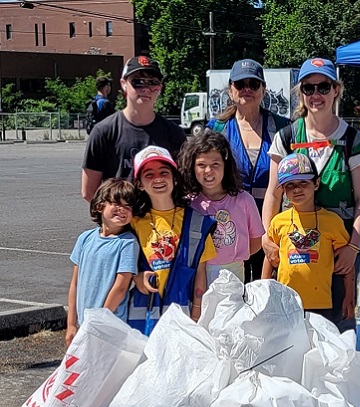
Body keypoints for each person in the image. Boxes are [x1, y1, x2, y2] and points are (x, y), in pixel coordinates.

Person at [262, 57, 360, 326]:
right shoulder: (286, 137)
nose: (316, 94)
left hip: (338, 250)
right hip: (296, 250)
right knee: (289, 328)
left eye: (323, 87)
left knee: (338, 328)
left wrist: (353, 247)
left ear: (336, 89)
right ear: (301, 92)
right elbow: (274, 194)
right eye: (308, 88)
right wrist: (268, 238)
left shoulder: (352, 140)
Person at [208, 59, 290, 282]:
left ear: (263, 89)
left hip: (273, 222)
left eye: (253, 84)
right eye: (240, 84)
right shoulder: (216, 128)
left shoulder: (283, 128)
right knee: (233, 290)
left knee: (267, 291)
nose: (247, 89)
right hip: (229, 225)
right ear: (230, 90)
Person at [128, 146, 216, 333]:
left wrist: (197, 312)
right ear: (140, 184)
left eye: (164, 172)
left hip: (181, 320)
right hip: (141, 322)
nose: (158, 178)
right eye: (149, 174)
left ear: (175, 178)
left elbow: (201, 272)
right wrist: (136, 276)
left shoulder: (197, 222)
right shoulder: (132, 223)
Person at [82, 56, 186, 202]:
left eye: (153, 83)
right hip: (122, 221)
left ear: (160, 88)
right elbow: (89, 191)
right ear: (123, 84)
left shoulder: (174, 133)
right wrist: (116, 215)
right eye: (138, 82)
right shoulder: (103, 131)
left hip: (162, 221)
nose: (146, 89)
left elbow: (183, 184)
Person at [265, 153, 354, 321]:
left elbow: (346, 265)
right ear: (283, 190)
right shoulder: (278, 222)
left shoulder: (332, 222)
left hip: (321, 305)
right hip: (286, 302)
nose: (297, 189)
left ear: (316, 183)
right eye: (290, 185)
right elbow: (270, 257)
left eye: (303, 183)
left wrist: (349, 296)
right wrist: (263, 290)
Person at [179, 131, 265, 284]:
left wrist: (232, 256)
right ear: (192, 166)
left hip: (234, 272)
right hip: (197, 273)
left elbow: (256, 241)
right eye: (201, 165)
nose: (208, 171)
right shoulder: (188, 204)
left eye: (215, 164)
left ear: (226, 165)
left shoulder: (244, 200)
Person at [66, 178, 139, 346]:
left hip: (110, 326)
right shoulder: (85, 239)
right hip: (85, 324)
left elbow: (121, 287)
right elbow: (75, 284)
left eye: (128, 206)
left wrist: (101, 321)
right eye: (116, 204)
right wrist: (71, 324)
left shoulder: (127, 242)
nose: (122, 210)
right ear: (99, 206)